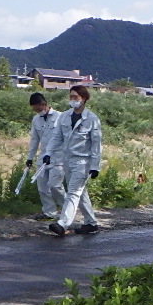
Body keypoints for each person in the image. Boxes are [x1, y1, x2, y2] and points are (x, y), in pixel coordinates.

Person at [44, 85, 102, 237]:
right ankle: (91, 223)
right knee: (80, 193)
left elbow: (96, 144)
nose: (73, 100)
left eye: (76, 97)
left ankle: (63, 224)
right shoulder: (64, 116)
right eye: (71, 97)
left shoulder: (92, 119)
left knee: (73, 193)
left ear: (84, 98)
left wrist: (95, 166)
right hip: (67, 160)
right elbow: (56, 137)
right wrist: (48, 153)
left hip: (83, 162)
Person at [25, 92, 66, 221]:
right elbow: (34, 140)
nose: (37, 111)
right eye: (34, 110)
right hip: (43, 158)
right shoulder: (36, 120)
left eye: (38, 108)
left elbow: (67, 138)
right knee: (42, 187)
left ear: (44, 104)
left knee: (55, 186)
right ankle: (49, 212)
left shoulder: (60, 117)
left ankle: (67, 210)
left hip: (58, 158)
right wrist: (29, 158)